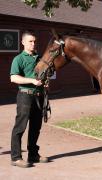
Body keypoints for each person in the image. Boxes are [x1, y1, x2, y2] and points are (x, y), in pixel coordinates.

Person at [10, 30, 48, 168]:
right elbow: (13, 77)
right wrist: (32, 81)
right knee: (20, 126)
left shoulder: (39, 58)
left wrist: (45, 82)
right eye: (30, 41)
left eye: (34, 41)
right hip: (25, 95)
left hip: (39, 96)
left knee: (35, 127)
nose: (33, 44)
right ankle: (15, 157)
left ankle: (33, 155)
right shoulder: (18, 59)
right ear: (23, 42)